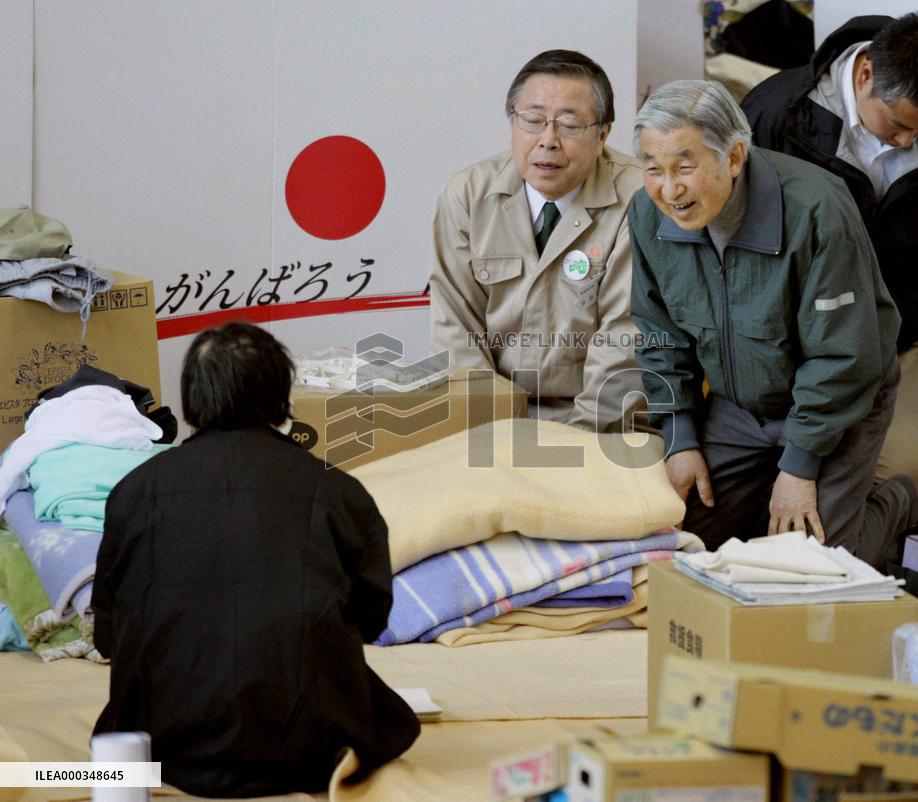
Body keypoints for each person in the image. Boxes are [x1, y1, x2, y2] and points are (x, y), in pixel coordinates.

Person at [91, 322, 418, 798]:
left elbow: (108, 636)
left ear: (190, 398)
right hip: (309, 749)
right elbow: (370, 619)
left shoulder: (135, 491)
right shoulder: (337, 491)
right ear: (280, 394)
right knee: (381, 711)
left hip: (158, 749)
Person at [630, 80, 918, 566]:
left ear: (735, 157)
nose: (669, 188)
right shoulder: (648, 214)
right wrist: (679, 437)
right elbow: (659, 332)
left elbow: (845, 358)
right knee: (682, 542)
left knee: (820, 561)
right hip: (738, 407)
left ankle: (897, 502)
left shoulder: (818, 209)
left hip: (838, 402)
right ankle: (768, 487)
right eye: (653, 169)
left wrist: (800, 464)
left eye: (685, 166)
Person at [742, 13, 918, 498]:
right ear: (865, 73)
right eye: (898, 125)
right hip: (786, 326)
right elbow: (742, 243)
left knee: (909, 477)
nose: (906, 142)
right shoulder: (774, 113)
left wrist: (886, 328)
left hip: (895, 327)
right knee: (776, 465)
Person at [430, 49, 643, 432]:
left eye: (569, 125)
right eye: (533, 121)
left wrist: (577, 447)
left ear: (603, 134)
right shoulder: (467, 195)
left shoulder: (638, 198)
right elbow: (454, 327)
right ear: (513, 122)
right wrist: (488, 432)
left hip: (604, 420)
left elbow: (623, 342)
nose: (548, 140)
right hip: (495, 415)